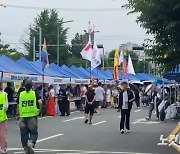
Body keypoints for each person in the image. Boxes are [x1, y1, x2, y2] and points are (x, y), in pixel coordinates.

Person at [17, 79, 42, 154]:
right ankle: (31, 143)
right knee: (34, 132)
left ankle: (26, 149)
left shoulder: (21, 94)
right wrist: (39, 110)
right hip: (32, 116)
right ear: (32, 86)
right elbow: (40, 102)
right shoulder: (34, 93)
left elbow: (18, 105)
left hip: (23, 116)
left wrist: (17, 114)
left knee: (23, 133)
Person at [0, 82, 8, 154]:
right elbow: (6, 107)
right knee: (2, 133)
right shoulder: (4, 94)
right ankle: (3, 148)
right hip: (2, 116)